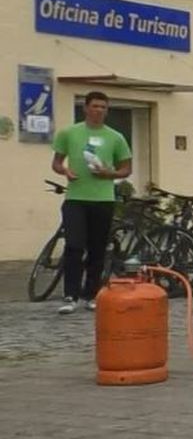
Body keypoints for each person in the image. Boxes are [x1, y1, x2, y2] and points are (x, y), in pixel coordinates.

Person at [49, 90, 132, 314]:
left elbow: (126, 168)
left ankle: (92, 293)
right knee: (74, 246)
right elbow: (56, 163)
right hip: (76, 198)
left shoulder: (115, 137)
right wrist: (65, 170)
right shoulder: (70, 133)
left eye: (103, 107)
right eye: (95, 106)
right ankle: (70, 295)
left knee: (97, 248)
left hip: (102, 199)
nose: (99, 111)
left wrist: (109, 173)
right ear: (85, 108)